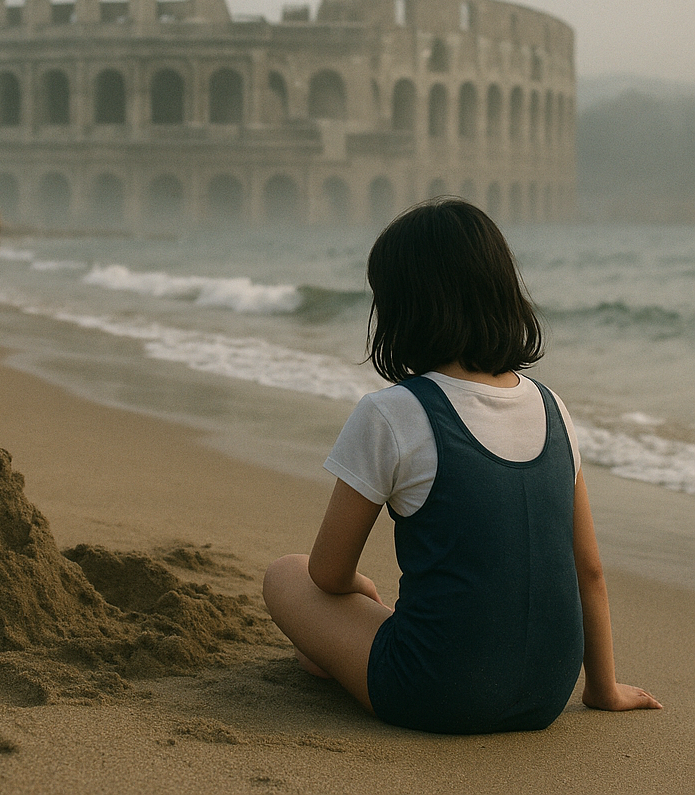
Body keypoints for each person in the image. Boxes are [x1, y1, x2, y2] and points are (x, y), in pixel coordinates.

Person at [262, 198, 660, 734]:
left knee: (285, 573)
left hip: (432, 692)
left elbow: (327, 573)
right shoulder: (553, 408)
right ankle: (335, 652)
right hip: (546, 695)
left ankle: (332, 654)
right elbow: (588, 571)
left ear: (401, 309)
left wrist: (361, 592)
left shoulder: (392, 413)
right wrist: (602, 689)